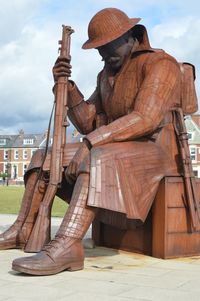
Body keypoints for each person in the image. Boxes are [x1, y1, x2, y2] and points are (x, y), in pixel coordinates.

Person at [1, 8, 185, 275]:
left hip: (156, 152)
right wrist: (66, 85)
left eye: (107, 45)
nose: (103, 54)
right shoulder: (106, 75)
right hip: (117, 148)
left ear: (129, 36)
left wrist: (92, 141)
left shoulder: (160, 64)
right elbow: (88, 121)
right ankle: (23, 228)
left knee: (96, 157)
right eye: (99, 49)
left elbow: (146, 117)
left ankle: (67, 244)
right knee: (44, 157)